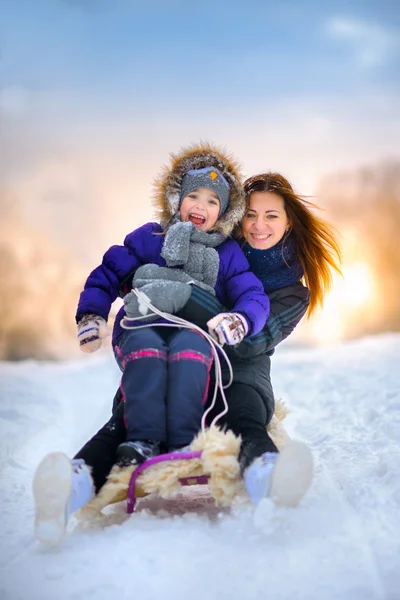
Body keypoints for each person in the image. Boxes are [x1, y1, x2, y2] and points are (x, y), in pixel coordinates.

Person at [33, 170, 341, 543]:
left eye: (272, 216)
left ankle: (271, 481)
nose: (259, 225)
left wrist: (174, 294)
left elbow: (248, 343)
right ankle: (67, 490)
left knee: (244, 421)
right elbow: (121, 269)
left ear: (289, 222)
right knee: (125, 420)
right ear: (236, 216)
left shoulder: (291, 292)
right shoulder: (212, 246)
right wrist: (125, 295)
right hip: (166, 357)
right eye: (251, 215)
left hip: (238, 377)